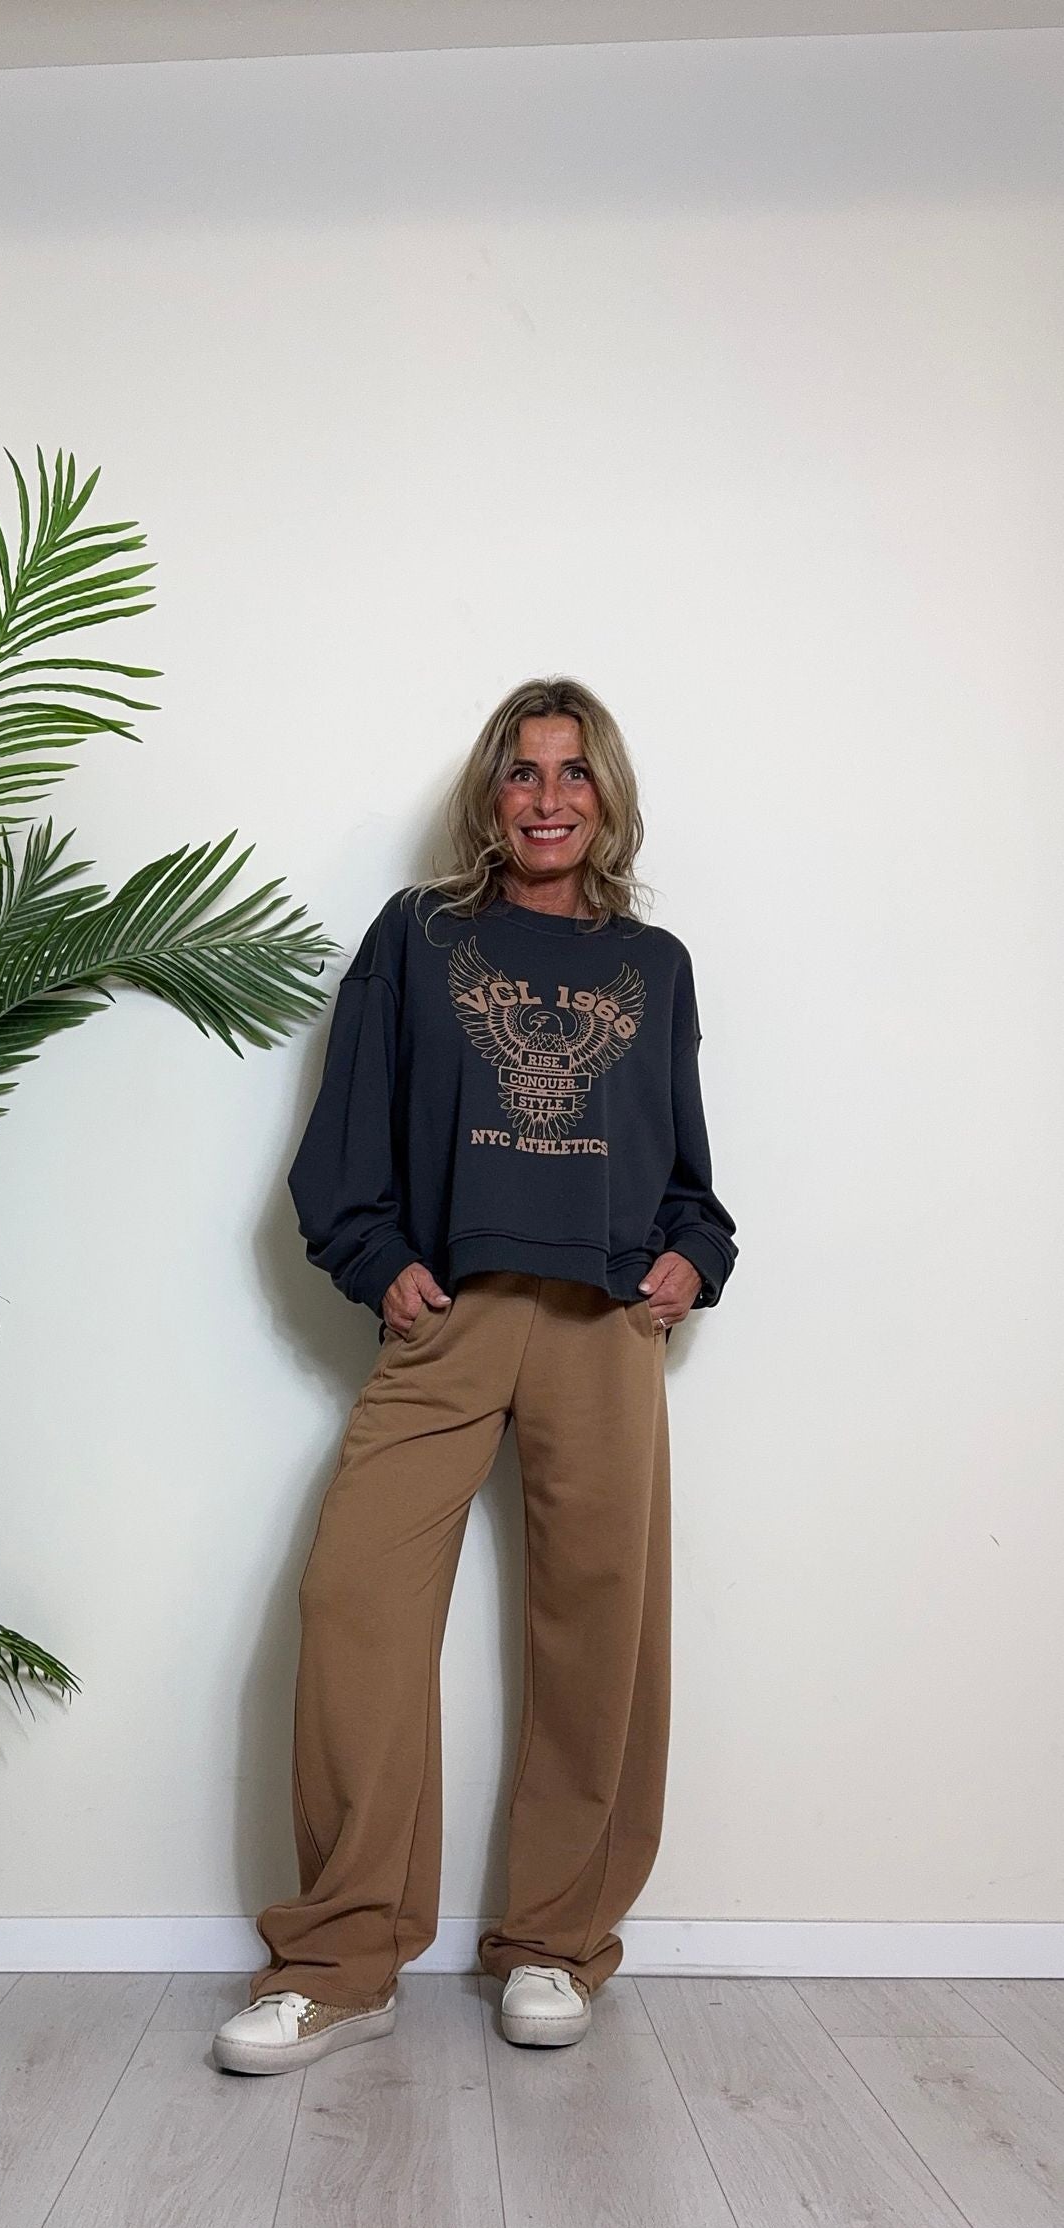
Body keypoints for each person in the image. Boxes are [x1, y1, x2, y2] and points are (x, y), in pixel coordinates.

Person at [212, 677, 737, 2075]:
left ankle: (555, 1943)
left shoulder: (655, 965)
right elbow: (344, 1137)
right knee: (353, 1603)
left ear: (608, 796)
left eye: (575, 772)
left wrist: (693, 1258)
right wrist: (376, 1257)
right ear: (489, 796)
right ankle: (341, 1963)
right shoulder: (420, 936)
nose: (549, 798)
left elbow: (689, 1173)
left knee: (600, 1634)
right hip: (448, 1319)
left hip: (604, 1326)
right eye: (523, 771)